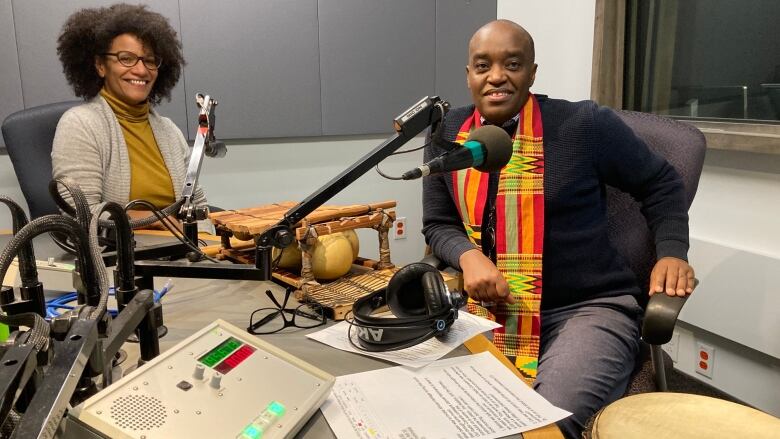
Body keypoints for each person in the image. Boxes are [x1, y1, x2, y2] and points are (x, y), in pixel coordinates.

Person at [422, 19, 695, 438]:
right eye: (483, 66)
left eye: (512, 64)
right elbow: (439, 222)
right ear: (469, 75)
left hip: (586, 307)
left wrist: (673, 250)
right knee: (437, 403)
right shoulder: (448, 135)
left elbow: (661, 182)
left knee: (536, 427)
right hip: (487, 303)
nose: (496, 76)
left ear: (532, 72)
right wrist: (468, 255)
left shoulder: (584, 125)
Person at [52, 3, 206, 223]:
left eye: (150, 60)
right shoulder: (80, 124)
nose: (141, 70)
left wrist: (210, 239)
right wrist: (157, 220)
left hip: (182, 250)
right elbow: (81, 213)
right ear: (100, 65)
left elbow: (197, 205)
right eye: (126, 58)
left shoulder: (169, 131)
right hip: (118, 253)